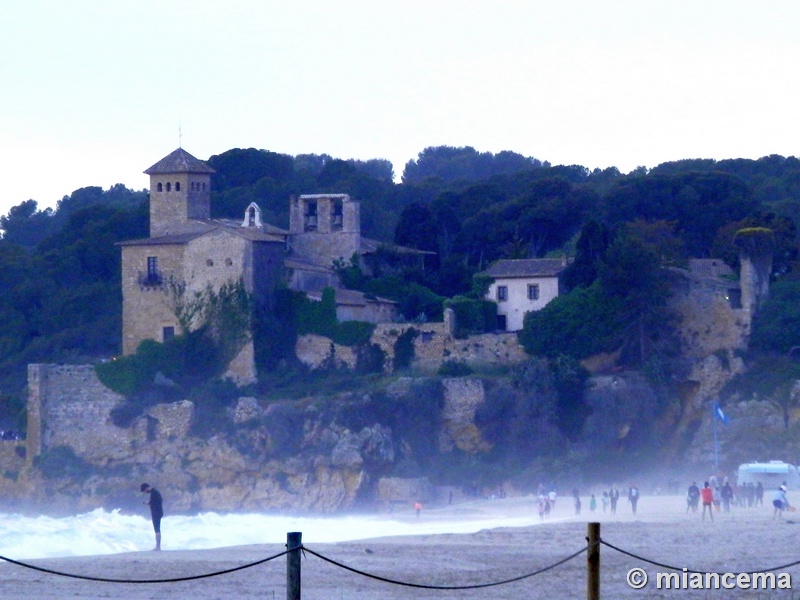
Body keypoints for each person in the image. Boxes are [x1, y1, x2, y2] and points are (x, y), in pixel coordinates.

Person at [141, 483, 163, 551]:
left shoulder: (154, 493)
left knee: (157, 529)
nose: (145, 492)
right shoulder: (155, 492)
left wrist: (147, 503)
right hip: (158, 512)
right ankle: (158, 546)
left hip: (156, 512)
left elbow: (153, 502)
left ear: (146, 488)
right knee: (157, 529)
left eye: (144, 491)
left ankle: (158, 547)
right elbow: (158, 501)